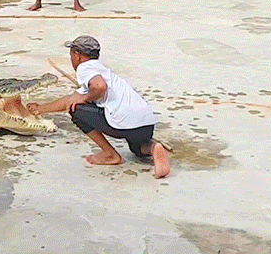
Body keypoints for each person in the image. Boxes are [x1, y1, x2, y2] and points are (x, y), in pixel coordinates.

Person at [27, 35, 170, 179]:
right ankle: (153, 148)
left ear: (77, 55)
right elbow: (71, 98)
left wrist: (85, 97)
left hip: (123, 124)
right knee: (137, 149)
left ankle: (110, 154)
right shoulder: (103, 69)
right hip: (147, 125)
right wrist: (41, 108)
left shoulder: (85, 68)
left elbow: (99, 87)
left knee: (76, 110)